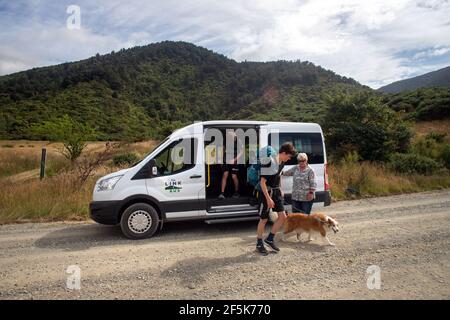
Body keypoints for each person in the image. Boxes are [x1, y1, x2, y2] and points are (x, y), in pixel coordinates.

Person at [256, 142, 296, 255]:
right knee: (263, 219)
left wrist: (280, 189)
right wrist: (268, 199)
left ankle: (269, 239)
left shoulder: (282, 162)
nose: (288, 159)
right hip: (265, 192)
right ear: (283, 153)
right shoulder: (270, 163)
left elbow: (279, 176)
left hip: (276, 191)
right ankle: (259, 243)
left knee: (282, 217)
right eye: (288, 156)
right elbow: (262, 182)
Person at [219, 131, 244, 199]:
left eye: (231, 136)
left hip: (235, 161)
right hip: (226, 160)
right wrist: (221, 160)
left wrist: (235, 159)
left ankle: (236, 192)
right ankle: (222, 193)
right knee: (225, 175)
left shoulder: (238, 141)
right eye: (228, 136)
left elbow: (241, 152)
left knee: (234, 176)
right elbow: (223, 150)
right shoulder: (226, 141)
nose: (230, 137)